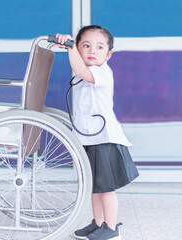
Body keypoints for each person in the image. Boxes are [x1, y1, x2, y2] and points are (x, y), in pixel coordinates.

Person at [55, 25, 139, 240]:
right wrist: (71, 49)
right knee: (94, 186)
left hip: (105, 140)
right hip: (90, 138)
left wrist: (70, 48)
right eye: (85, 46)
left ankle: (111, 229)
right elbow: (80, 70)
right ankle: (98, 223)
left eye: (99, 47)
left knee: (107, 188)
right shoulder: (85, 74)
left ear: (108, 54)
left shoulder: (101, 72)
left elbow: (80, 70)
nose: (92, 50)